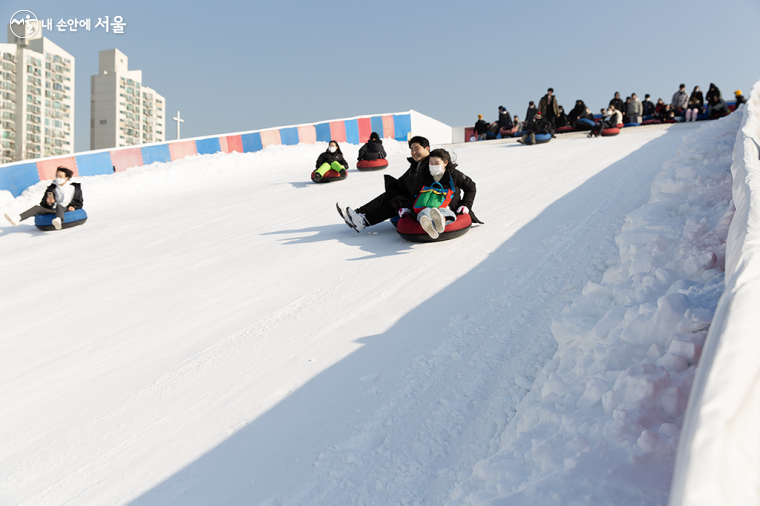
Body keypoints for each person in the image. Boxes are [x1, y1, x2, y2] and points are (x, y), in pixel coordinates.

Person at [338, 136, 430, 232]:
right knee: (388, 195)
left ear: (427, 148)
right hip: (411, 192)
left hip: (420, 198)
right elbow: (404, 179)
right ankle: (357, 213)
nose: (414, 152)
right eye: (411, 149)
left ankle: (363, 221)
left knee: (396, 201)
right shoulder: (416, 163)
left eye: (417, 148)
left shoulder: (431, 163)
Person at [399, 148, 477, 240]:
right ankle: (429, 224)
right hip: (427, 203)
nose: (433, 165)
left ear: (445, 163)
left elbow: (471, 187)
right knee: (423, 211)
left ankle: (441, 221)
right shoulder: (423, 175)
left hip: (447, 203)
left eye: (437, 163)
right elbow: (415, 194)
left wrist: (466, 205)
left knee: (443, 210)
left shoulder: (454, 174)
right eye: (431, 162)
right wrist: (407, 207)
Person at [4, 167, 83, 230]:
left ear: (66, 178)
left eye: (60, 176)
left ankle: (59, 220)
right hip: (53, 209)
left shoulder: (74, 188)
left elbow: (79, 201)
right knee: (37, 208)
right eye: (57, 176)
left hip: (64, 209)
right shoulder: (51, 188)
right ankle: (17, 218)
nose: (58, 178)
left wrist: (74, 206)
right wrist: (48, 202)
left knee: (59, 206)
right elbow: (42, 203)